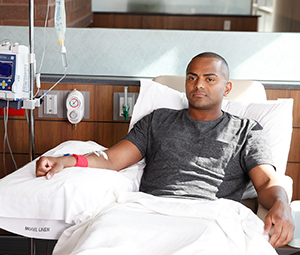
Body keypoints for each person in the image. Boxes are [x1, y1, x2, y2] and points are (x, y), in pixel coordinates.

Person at [36, 52, 294, 248]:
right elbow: (113, 159)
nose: (198, 85)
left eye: (209, 79)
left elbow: (267, 182)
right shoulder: (158, 120)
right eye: (192, 77)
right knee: (98, 244)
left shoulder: (247, 130)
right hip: (148, 208)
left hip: (210, 215)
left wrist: (281, 204)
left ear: (227, 87)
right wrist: (66, 161)